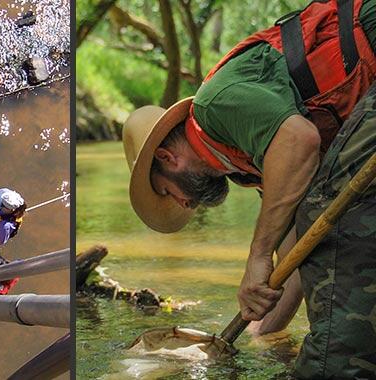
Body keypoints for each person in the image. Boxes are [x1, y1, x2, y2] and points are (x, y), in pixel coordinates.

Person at [122, 1, 376, 375]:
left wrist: (257, 256)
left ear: (166, 157)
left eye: (165, 192)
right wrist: (257, 334)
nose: (184, 204)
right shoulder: (251, 164)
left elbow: (299, 140)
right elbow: (301, 249)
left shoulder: (214, 106)